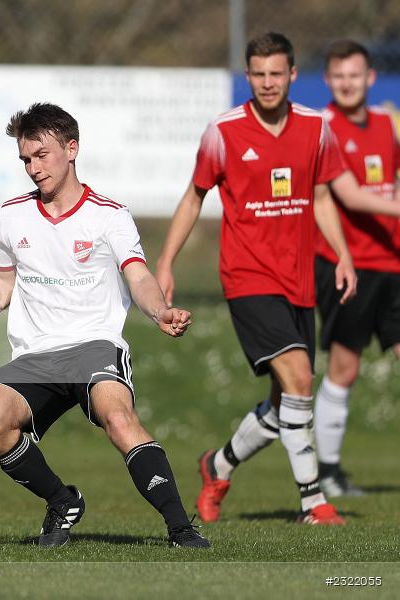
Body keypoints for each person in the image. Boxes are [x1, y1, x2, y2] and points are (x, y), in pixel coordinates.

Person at [156, 32, 400, 526]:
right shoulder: (223, 131)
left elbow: (323, 197)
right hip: (247, 277)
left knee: (285, 399)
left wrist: (344, 254)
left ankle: (217, 465)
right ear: (248, 76)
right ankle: (314, 502)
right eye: (258, 74)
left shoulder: (315, 127)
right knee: (300, 378)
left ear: (292, 75)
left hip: (300, 280)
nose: (267, 83)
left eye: (276, 73)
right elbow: (193, 197)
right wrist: (165, 263)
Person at [0, 102, 209, 549]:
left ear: (71, 149)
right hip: (36, 354)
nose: (34, 168)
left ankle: (181, 529)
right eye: (26, 159)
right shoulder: (12, 214)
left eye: (42, 155)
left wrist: (160, 312)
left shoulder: (109, 214)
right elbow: (2, 280)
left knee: (119, 419)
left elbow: (139, 277)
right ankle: (62, 500)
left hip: (94, 345)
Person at [313, 40, 400, 497]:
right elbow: (348, 195)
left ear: (370, 78)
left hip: (393, 261)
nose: (347, 83)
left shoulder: (387, 122)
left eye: (355, 75)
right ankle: (327, 471)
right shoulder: (324, 128)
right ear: (328, 80)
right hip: (347, 265)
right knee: (345, 368)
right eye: (339, 76)